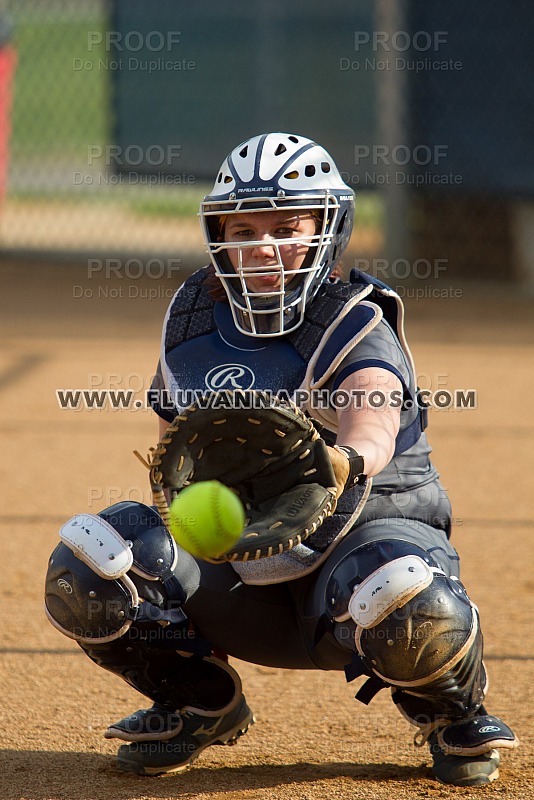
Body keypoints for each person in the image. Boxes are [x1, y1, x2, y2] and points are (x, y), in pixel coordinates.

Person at [45, 132, 518, 786]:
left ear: (329, 227)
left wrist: (350, 457)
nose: (262, 246)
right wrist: (174, 505)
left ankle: (451, 710)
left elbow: (373, 407)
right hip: (240, 572)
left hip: (354, 567)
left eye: (287, 226)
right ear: (218, 233)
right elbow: (170, 439)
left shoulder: (353, 319)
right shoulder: (193, 318)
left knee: (403, 591)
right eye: (243, 228)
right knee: (95, 559)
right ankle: (196, 698)